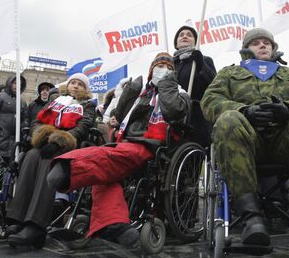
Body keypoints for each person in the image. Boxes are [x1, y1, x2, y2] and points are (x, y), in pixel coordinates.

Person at [201, 28, 289, 247]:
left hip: (286, 142)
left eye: (267, 42)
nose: (263, 45)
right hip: (246, 142)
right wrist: (244, 111)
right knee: (228, 121)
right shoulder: (228, 73)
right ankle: (252, 219)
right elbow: (210, 102)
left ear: (274, 48)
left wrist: (288, 109)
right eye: (256, 43)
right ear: (246, 49)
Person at [47, 53, 189, 247]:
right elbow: (118, 117)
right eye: (158, 66)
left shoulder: (180, 93)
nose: (161, 70)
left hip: (153, 145)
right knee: (107, 171)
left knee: (109, 158)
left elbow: (174, 111)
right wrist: (131, 92)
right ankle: (114, 225)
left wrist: (167, 84)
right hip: (128, 141)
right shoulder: (142, 95)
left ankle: (70, 167)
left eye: (167, 67)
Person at [5, 73, 94, 249]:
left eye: (80, 85)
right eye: (73, 83)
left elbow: (82, 128)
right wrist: (42, 137)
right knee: (30, 157)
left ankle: (36, 225)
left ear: (85, 90)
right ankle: (18, 218)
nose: (75, 86)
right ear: (67, 86)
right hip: (45, 143)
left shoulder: (88, 106)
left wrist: (58, 141)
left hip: (68, 147)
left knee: (48, 160)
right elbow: (37, 122)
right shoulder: (55, 101)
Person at [172, 25, 217, 146]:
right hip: (173, 117)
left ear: (195, 42)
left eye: (189, 35)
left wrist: (201, 65)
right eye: (181, 35)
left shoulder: (204, 60)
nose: (185, 36)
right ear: (176, 44)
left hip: (197, 116)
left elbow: (213, 85)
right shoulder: (169, 64)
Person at [0, 76, 27, 160]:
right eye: (15, 83)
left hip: (14, 141)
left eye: (19, 84)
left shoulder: (22, 102)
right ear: (10, 83)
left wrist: (23, 127)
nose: (17, 86)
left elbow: (25, 118)